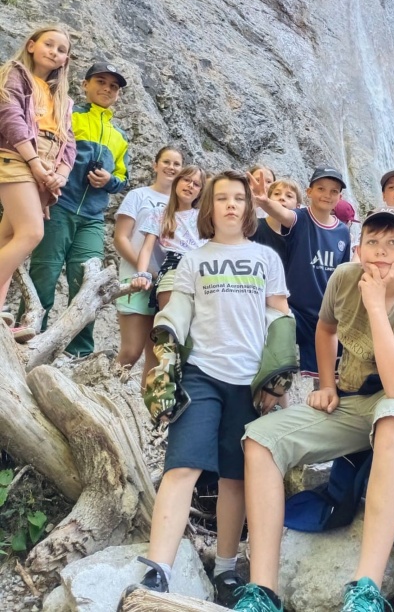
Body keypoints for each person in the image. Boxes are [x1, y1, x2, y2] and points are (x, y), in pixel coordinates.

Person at [234, 206, 394, 612]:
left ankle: (366, 589)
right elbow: (326, 328)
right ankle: (263, 592)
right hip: (350, 400)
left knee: (392, 419)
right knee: (259, 440)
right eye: (373, 241)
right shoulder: (344, 278)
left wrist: (376, 306)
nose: (382, 251)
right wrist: (327, 385)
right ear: (358, 249)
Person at [129, 171, 290, 607]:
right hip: (201, 374)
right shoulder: (193, 260)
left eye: (239, 198)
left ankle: (225, 569)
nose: (231, 204)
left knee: (235, 478)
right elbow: (177, 311)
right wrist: (164, 358)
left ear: (249, 207)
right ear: (209, 208)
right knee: (182, 467)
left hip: (249, 381)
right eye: (222, 198)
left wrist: (279, 376)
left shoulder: (266, 258)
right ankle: (157, 569)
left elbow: (279, 315)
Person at [27, 60, 128, 356]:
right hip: (59, 204)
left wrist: (109, 180)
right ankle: (30, 334)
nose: (107, 89)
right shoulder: (69, 114)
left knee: (88, 281)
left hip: (93, 217)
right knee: (45, 272)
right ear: (85, 85)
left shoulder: (120, 136)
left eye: (113, 86)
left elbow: (123, 178)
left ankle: (80, 351)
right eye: (101, 82)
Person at [0, 26, 75, 340]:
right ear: (31, 45)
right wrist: (34, 162)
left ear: (65, 60)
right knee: (32, 232)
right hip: (18, 156)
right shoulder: (15, 74)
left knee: (8, 237)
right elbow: (10, 117)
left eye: (61, 49)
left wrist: (61, 175)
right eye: (49, 44)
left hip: (46, 164)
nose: (54, 52)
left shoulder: (63, 98)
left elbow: (69, 142)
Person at [249, 166, 351, 374]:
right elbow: (283, 214)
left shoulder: (342, 231)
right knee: (282, 365)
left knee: (326, 374)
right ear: (309, 192)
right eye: (321, 188)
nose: (327, 194)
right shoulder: (299, 218)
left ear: (340, 197)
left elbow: (342, 274)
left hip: (326, 311)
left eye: (333, 191)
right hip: (295, 310)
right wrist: (265, 201)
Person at [114, 146, 184, 385]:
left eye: (176, 164)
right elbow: (121, 238)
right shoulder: (138, 196)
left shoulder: (184, 205)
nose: (171, 167)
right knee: (131, 350)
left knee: (155, 355)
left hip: (168, 286)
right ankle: (101, 390)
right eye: (166, 162)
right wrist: (145, 271)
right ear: (155, 165)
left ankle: (145, 406)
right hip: (137, 279)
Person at [131, 165, 206, 310]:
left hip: (202, 269)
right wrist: (141, 274)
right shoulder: (159, 214)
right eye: (186, 180)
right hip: (173, 268)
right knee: (171, 318)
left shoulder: (204, 216)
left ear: (200, 192)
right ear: (177, 182)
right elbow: (147, 248)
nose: (190, 185)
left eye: (196, 184)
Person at [250, 178, 302, 267]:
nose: (282, 198)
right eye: (277, 194)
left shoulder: (300, 236)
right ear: (268, 199)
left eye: (289, 196)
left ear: (298, 207)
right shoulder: (254, 227)